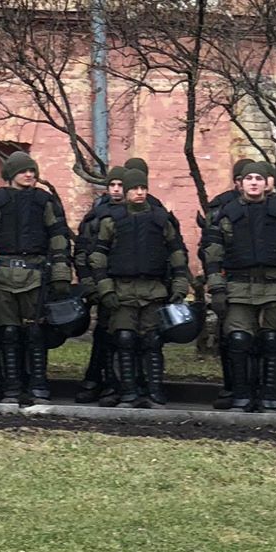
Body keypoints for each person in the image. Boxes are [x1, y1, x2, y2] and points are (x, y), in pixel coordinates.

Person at [202, 158, 276, 412]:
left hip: (274, 286)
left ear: (267, 184)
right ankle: (241, 395)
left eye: (259, 179)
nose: (254, 183)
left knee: (272, 340)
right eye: (249, 179)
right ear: (240, 184)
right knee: (238, 339)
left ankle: (268, 396)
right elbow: (213, 255)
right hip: (238, 288)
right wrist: (216, 289)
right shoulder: (226, 213)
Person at [0, 152, 73, 406]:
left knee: (36, 332)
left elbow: (59, 239)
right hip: (3, 275)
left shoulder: (45, 202)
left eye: (32, 171)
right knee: (7, 332)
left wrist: (61, 274)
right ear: (11, 174)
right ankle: (11, 388)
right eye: (23, 171)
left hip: (37, 275)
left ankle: (38, 386)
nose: (29, 175)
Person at [83, 164, 190, 408]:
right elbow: (98, 257)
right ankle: (127, 392)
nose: (139, 192)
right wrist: (105, 289)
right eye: (134, 189)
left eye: (143, 188)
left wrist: (180, 286)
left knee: (152, 341)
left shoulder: (161, 219)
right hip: (122, 290)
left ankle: (154, 391)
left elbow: (177, 254)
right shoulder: (111, 221)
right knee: (124, 339)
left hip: (153, 289)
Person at [71, 168, 128, 403]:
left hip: (129, 283)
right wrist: (89, 285)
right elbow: (82, 252)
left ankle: (120, 384)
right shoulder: (95, 216)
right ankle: (96, 380)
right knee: (103, 333)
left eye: (120, 185)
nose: (116, 189)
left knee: (125, 336)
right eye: (112, 184)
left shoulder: (144, 211)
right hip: (103, 284)